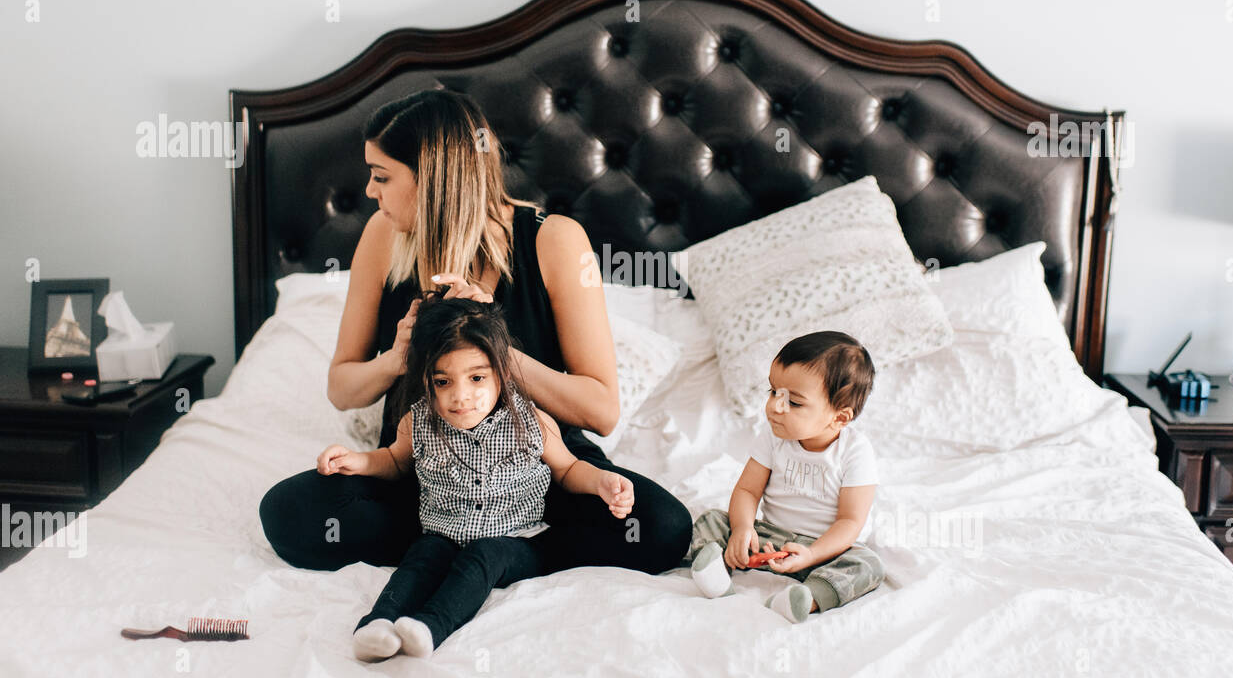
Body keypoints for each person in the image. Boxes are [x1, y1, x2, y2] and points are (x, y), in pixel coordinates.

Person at [258, 89, 691, 577]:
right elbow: (342, 388)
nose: (369, 193)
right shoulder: (383, 236)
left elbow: (602, 411)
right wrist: (399, 356)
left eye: (382, 176)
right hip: (422, 473)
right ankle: (460, 541)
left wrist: (497, 346)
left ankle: (507, 551)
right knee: (288, 514)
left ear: (433, 180)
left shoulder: (555, 240)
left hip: (537, 475)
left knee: (663, 528)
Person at [327, 296, 634, 660]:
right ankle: (377, 624)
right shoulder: (419, 422)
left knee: (483, 556)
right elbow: (394, 461)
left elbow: (567, 469)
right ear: (425, 379)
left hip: (517, 540)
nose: (461, 397)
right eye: (443, 382)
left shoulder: (531, 422)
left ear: (501, 372)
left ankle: (430, 627)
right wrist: (358, 461)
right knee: (422, 555)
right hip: (446, 532)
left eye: (476, 378)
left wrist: (601, 481)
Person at [687, 331, 886, 622]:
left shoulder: (855, 452)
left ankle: (807, 599)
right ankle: (716, 578)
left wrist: (812, 554)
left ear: (839, 418)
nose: (774, 407)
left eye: (793, 402)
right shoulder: (772, 437)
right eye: (773, 392)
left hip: (822, 551)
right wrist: (743, 529)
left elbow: (850, 522)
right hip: (766, 539)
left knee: (868, 564)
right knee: (712, 521)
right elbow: (747, 491)